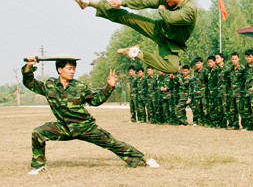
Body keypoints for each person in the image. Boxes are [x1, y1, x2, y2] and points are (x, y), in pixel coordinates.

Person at [22, 56, 159, 175]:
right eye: (69, 68)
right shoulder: (49, 86)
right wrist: (29, 66)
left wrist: (109, 87)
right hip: (64, 128)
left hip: (85, 127)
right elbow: (29, 83)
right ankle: (39, 166)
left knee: (112, 143)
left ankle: (144, 160)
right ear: (59, 70)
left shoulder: (80, 87)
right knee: (38, 133)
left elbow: (96, 101)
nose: (72, 71)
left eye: (74, 69)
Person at [73, 0, 197, 74]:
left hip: (172, 43)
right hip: (160, 29)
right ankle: (89, 2)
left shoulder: (189, 9)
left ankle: (135, 53)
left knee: (173, 68)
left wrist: (161, 10)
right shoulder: (167, 1)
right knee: (129, 18)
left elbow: (171, 19)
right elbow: (145, 2)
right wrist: (122, 2)